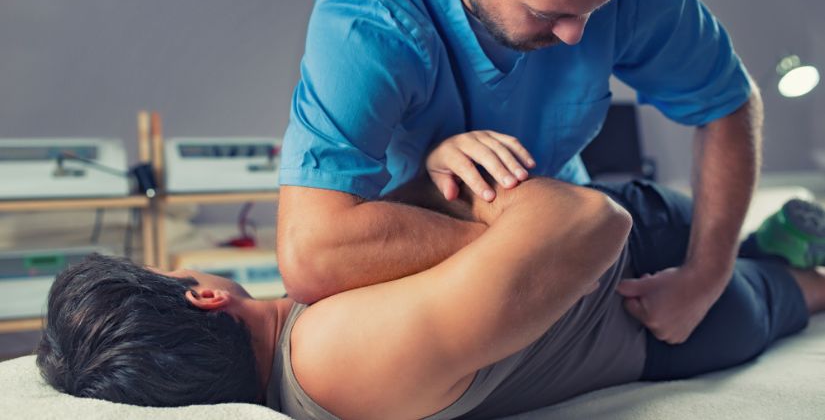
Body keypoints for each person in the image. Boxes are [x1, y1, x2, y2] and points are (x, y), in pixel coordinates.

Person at [276, 0, 765, 349]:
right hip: (441, 234)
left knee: (735, 315)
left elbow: (727, 102)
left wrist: (705, 277)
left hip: (587, 221)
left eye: (594, 11)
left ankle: (796, 262)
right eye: (547, 14)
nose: (576, 34)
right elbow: (312, 254)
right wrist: (535, 248)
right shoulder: (370, 18)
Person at [36, 171, 825, 419]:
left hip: (628, 265)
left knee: (744, 234)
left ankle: (780, 233)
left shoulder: (310, 331)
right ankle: (791, 253)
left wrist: (437, 168)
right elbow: (591, 219)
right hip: (670, 307)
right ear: (203, 296)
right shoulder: (329, 354)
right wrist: (469, 185)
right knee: (799, 288)